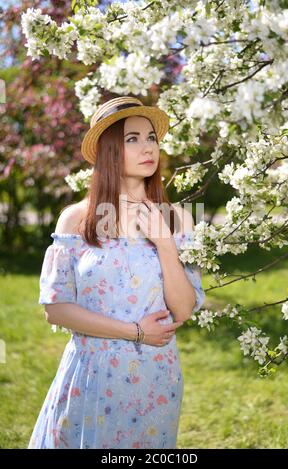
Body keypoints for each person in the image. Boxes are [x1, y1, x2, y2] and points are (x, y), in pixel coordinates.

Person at [28, 96, 205, 449]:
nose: (147, 147)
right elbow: (55, 307)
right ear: (110, 150)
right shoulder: (76, 219)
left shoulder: (177, 219)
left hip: (154, 378)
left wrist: (165, 245)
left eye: (151, 137)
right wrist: (135, 332)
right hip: (90, 373)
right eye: (132, 139)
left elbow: (184, 310)